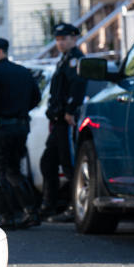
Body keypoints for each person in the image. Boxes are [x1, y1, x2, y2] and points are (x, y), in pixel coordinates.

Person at [0, 37, 42, 229]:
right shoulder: (23, 72)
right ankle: (31, 212)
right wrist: (18, 111)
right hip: (20, 127)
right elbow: (36, 97)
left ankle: (7, 216)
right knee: (14, 171)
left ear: (0, 52)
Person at [39, 23, 87, 223]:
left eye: (64, 39)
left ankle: (74, 207)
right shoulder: (64, 60)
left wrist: (70, 110)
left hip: (67, 120)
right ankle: (50, 205)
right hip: (58, 120)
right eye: (58, 39)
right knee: (48, 162)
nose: (60, 42)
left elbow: (78, 86)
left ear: (74, 39)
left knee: (70, 166)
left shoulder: (76, 59)